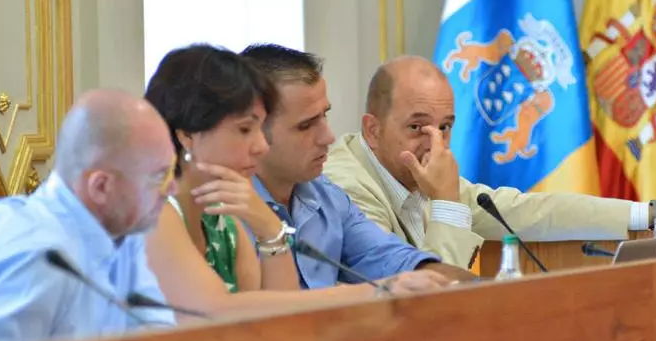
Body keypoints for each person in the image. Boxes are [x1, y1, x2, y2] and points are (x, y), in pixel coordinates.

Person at [323, 56, 656, 268]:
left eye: (446, 127)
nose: (436, 145)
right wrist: (447, 203)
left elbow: (533, 212)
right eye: (417, 127)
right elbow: (422, 304)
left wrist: (653, 214)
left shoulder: (418, 173)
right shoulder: (345, 188)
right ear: (372, 130)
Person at [144, 44, 451, 316]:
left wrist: (270, 230)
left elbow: (275, 324)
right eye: (245, 130)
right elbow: (215, 312)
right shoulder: (154, 211)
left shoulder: (225, 217)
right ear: (187, 136)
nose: (259, 146)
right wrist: (376, 292)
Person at [0, 89, 179, 341]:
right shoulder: (40, 254)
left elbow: (158, 339)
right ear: (101, 187)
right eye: (159, 176)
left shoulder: (122, 230)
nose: (172, 188)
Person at [240, 44, 476, 287]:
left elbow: (392, 259)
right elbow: (262, 308)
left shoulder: (326, 196)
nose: (328, 137)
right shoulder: (223, 213)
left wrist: (469, 286)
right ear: (254, 130)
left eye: (324, 115)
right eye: (306, 126)